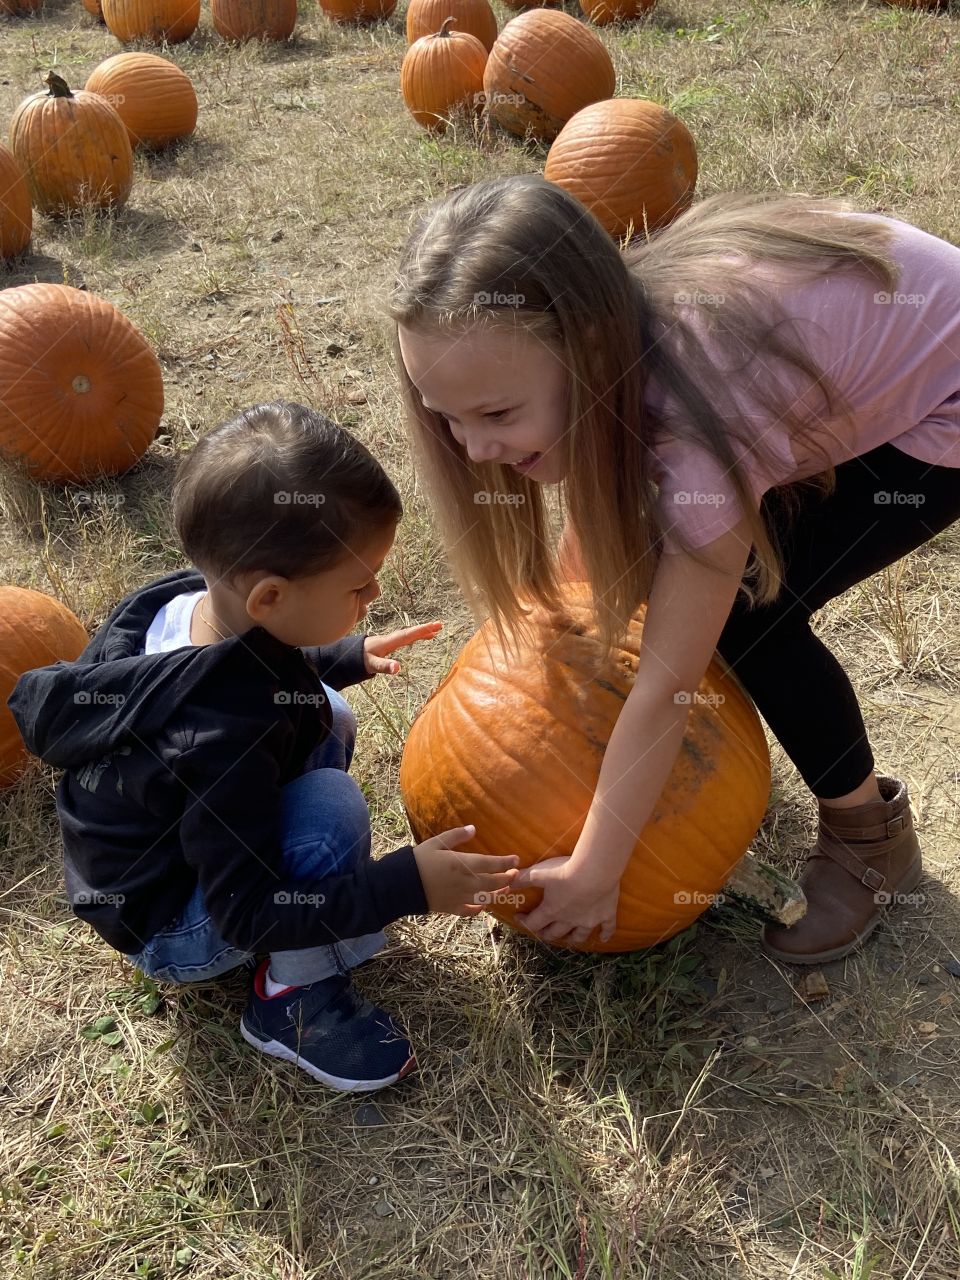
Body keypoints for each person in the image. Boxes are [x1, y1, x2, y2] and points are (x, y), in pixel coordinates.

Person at [386, 174, 960, 965]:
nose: (474, 449)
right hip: (836, 359)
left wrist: (596, 869)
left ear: (587, 348)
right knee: (699, 574)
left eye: (497, 415)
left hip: (947, 400)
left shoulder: (700, 417)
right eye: (445, 415)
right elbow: (598, 533)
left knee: (748, 615)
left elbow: (666, 684)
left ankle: (871, 838)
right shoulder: (614, 347)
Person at [7, 401, 520, 1092]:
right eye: (358, 585)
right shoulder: (221, 738)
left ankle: (310, 907)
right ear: (270, 597)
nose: (373, 594)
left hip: (147, 858)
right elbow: (243, 911)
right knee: (332, 809)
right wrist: (406, 883)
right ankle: (292, 1001)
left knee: (324, 710)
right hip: (175, 927)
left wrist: (341, 654)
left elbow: (250, 664)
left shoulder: (179, 600)